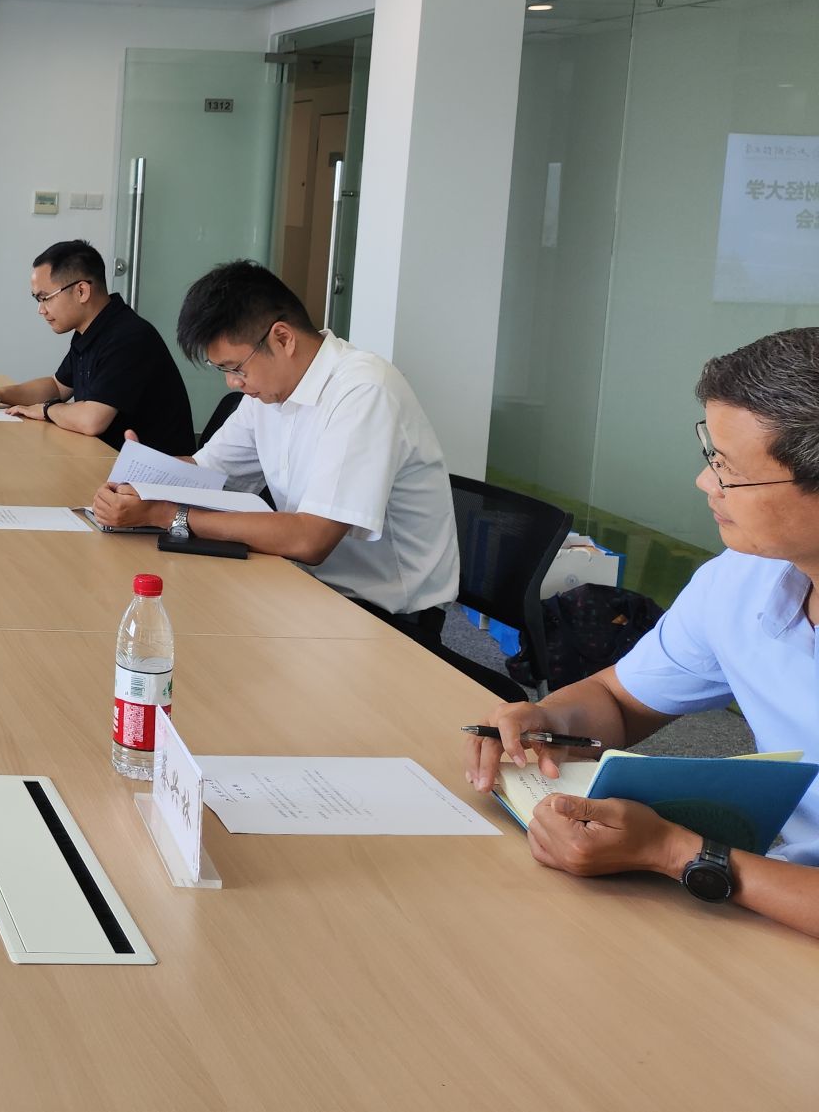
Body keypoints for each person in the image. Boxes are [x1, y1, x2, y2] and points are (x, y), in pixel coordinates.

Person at [467, 329, 819, 937]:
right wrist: (549, 722)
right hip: (772, 898)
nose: (705, 483)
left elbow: (680, 853)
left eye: (730, 470)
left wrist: (676, 853)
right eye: (711, 456)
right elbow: (619, 699)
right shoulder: (743, 579)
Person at [90, 260, 457, 637]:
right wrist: (146, 479)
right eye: (224, 370)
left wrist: (168, 514)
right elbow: (206, 472)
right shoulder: (268, 393)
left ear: (283, 338)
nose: (233, 383)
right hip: (301, 586)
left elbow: (310, 538)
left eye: (236, 368)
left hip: (384, 618)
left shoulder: (364, 391)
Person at [0, 239, 194, 452]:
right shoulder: (92, 329)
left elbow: (91, 420)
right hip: (107, 458)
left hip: (151, 477)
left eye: (45, 298)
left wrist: (47, 410)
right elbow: (57, 386)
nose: (41, 309)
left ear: (81, 291)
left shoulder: (129, 337)